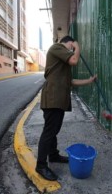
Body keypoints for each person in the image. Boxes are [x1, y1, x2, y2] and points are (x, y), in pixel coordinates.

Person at [36, 36, 97, 181]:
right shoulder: (57, 48)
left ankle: (54, 155)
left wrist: (89, 80)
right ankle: (41, 165)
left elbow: (71, 82)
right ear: (69, 43)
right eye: (72, 46)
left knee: (53, 130)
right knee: (49, 131)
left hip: (58, 100)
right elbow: (74, 60)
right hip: (53, 99)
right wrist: (77, 47)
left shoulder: (62, 63)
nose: (72, 49)